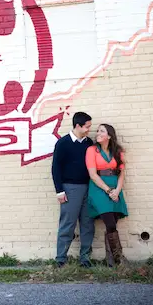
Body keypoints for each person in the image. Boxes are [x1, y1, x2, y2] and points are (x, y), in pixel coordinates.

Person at [51, 111, 95, 268]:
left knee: (88, 224)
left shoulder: (89, 143)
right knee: (67, 224)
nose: (89, 129)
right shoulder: (63, 143)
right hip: (70, 189)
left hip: (89, 188)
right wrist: (59, 191)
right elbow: (56, 168)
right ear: (78, 126)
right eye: (87, 126)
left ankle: (85, 259)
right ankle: (61, 259)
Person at [85, 123, 129, 267]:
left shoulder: (118, 151)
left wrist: (117, 190)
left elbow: (122, 173)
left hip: (115, 187)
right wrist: (109, 191)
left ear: (109, 135)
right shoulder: (91, 150)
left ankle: (111, 261)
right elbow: (92, 174)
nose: (97, 133)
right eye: (97, 131)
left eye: (101, 131)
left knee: (113, 223)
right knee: (109, 221)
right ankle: (119, 259)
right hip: (99, 188)